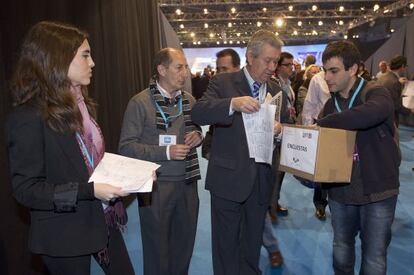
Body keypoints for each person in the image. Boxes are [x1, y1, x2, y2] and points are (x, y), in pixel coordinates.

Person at [5, 21, 133, 275]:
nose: (93, 62)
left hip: (101, 219)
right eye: (85, 55)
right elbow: (27, 190)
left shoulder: (81, 106)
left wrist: (130, 176)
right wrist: (90, 191)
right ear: (58, 59)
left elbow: (89, 161)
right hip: (62, 234)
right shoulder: (28, 117)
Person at [191, 30, 283, 275]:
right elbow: (199, 113)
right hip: (228, 181)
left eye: (276, 61)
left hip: (261, 181)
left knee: (251, 247)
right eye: (268, 61)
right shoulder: (224, 82)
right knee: (226, 248)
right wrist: (232, 104)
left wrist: (279, 130)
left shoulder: (275, 88)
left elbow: (283, 125)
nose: (273, 67)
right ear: (250, 57)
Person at [317, 40, 400, 275]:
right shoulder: (329, 105)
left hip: (378, 192)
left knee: (374, 259)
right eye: (325, 70)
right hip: (341, 193)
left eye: (334, 71)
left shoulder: (374, 92)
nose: (327, 77)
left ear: (353, 69)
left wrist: (321, 124)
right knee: (341, 254)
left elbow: (373, 113)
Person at [119, 48, 202, 275]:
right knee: (158, 251)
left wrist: (198, 136)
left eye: (185, 67)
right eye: (179, 67)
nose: (185, 73)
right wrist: (165, 152)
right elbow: (126, 148)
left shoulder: (190, 101)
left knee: (184, 247)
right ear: (161, 70)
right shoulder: (140, 102)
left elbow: (195, 130)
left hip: (188, 184)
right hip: (155, 187)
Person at [270, 51, 297, 219]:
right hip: (274, 134)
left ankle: (274, 202)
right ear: (278, 67)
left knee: (280, 173)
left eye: (292, 65)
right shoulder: (273, 84)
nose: (291, 68)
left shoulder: (287, 83)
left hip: (286, 132)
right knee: (275, 173)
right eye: (287, 65)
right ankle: (270, 207)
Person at [202, 48, 241, 160]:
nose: (219, 74)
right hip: (221, 160)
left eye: (224, 69)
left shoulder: (248, 92)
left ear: (237, 69)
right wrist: (208, 150)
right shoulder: (217, 91)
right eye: (218, 69)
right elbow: (213, 126)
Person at [377, 55, 414, 127]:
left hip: (379, 116)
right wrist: (410, 110)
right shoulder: (394, 82)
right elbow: (396, 105)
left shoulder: (382, 77)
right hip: (389, 120)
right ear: (402, 66)